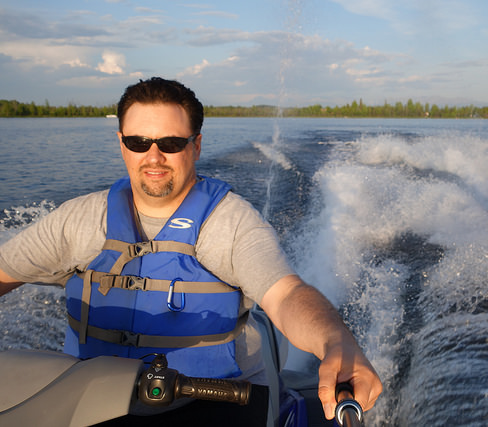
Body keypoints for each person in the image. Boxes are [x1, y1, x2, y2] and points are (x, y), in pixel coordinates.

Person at [0, 77, 382, 425]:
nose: (153, 157)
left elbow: (285, 295)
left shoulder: (229, 223)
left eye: (170, 143)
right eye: (138, 143)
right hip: (89, 400)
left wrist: (336, 342)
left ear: (196, 145)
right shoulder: (80, 219)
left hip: (215, 400)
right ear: (121, 144)